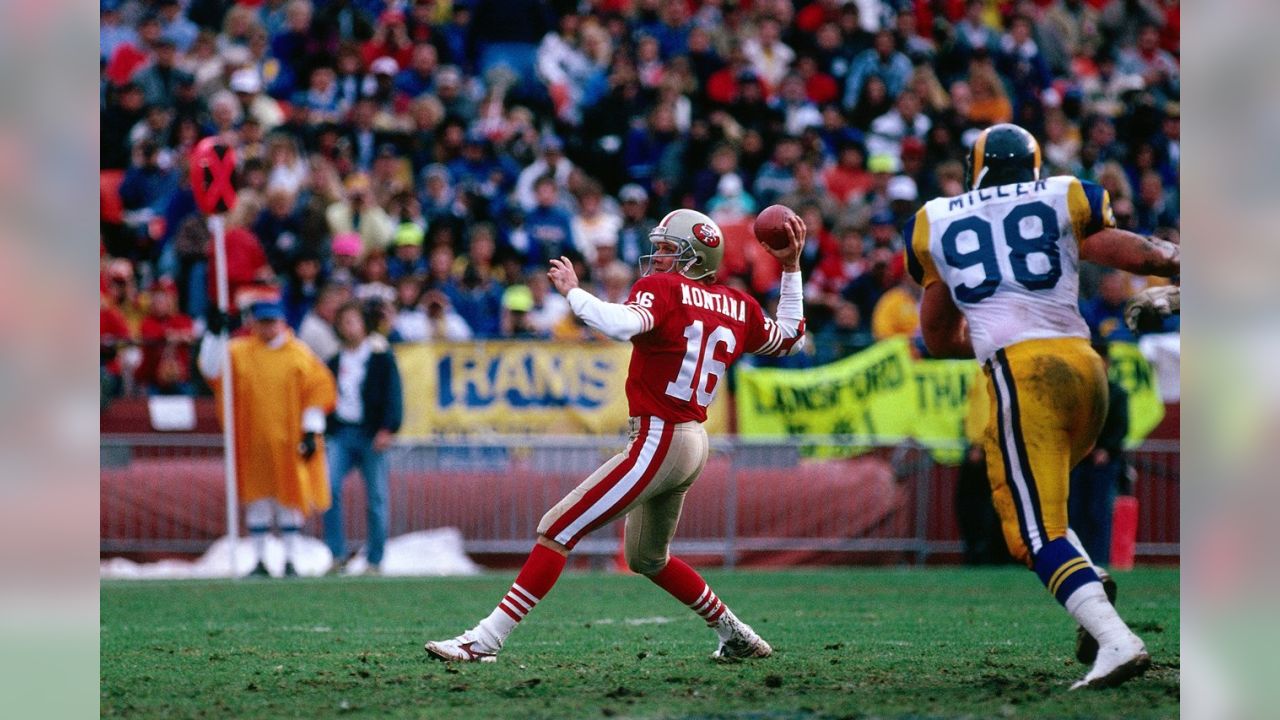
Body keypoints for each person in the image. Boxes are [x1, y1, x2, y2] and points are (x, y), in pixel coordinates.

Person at [425, 208, 809, 663]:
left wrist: (573, 293)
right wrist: (791, 268)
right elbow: (792, 337)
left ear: (695, 258)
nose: (659, 257)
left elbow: (620, 324)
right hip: (692, 440)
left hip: (660, 438)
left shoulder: (664, 288)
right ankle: (736, 633)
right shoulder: (738, 305)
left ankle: (483, 640)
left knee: (557, 527)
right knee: (648, 558)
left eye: (669, 249)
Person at [904, 123, 1180, 689]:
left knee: (1031, 529)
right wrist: (1179, 264)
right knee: (1049, 508)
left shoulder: (936, 219)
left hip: (1022, 372)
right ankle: (1091, 584)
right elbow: (1129, 249)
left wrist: (977, 340)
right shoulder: (1063, 193)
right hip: (1085, 369)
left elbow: (935, 335)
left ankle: (1116, 639)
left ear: (974, 163)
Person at [198, 298, 337, 578]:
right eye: (262, 322)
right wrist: (214, 335)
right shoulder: (239, 352)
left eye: (272, 321)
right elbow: (211, 371)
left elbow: (317, 392)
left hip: (289, 442)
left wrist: (312, 431)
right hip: (252, 441)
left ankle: (291, 559)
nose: (268, 328)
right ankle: (260, 559)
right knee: (257, 501)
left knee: (290, 502)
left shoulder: (299, 355)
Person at [324, 301, 403, 575]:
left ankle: (375, 559)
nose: (349, 327)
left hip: (371, 433)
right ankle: (337, 554)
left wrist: (388, 428)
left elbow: (393, 394)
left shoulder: (380, 356)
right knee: (328, 487)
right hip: (343, 432)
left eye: (353, 321)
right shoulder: (335, 360)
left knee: (376, 498)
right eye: (344, 322)